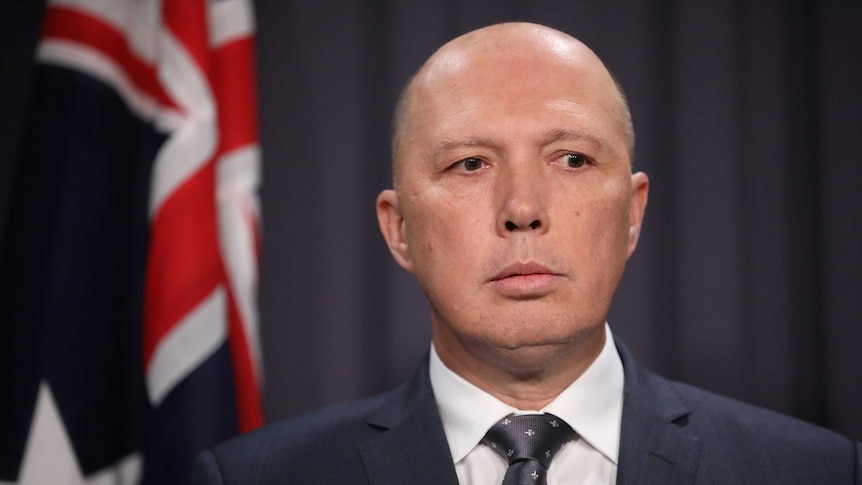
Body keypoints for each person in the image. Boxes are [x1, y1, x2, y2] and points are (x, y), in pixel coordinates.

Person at [191, 22, 860, 484]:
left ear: (632, 213)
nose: (523, 207)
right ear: (398, 229)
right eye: (470, 163)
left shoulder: (817, 472)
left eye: (572, 158)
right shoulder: (253, 477)